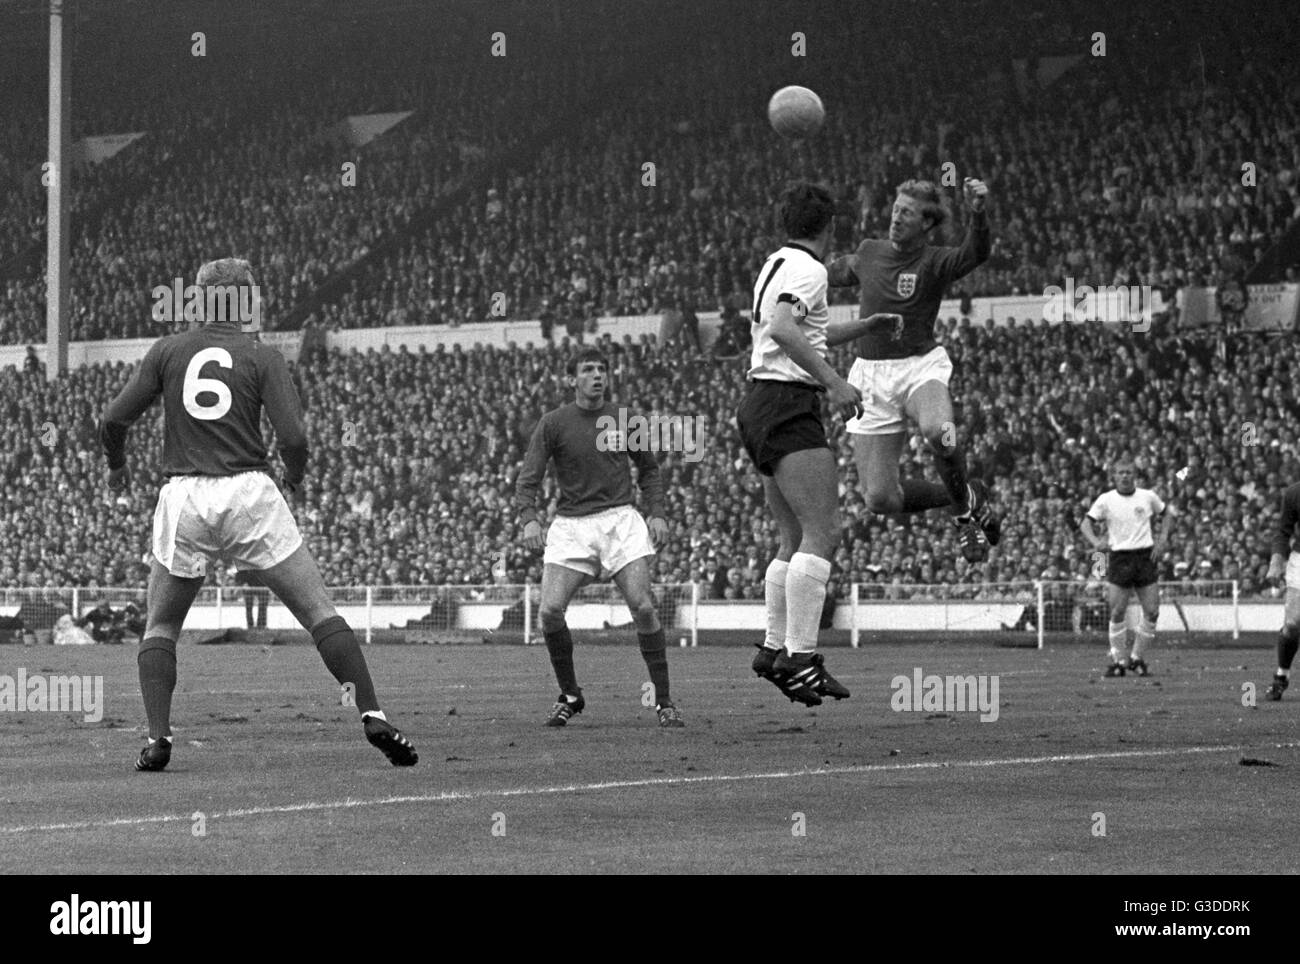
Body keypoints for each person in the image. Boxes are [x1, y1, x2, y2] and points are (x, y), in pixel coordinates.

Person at [98, 257, 416, 771]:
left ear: (199, 299)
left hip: (186, 496)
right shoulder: (262, 356)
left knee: (160, 626)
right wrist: (294, 477)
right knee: (318, 612)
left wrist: (116, 470)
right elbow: (294, 438)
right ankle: (372, 713)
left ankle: (158, 739)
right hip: (250, 492)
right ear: (243, 300)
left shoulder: (167, 351)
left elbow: (114, 418)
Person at [740, 181, 900, 706]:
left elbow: (800, 331)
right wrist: (834, 382)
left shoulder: (777, 262)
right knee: (823, 532)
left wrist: (863, 327)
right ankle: (801, 657)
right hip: (789, 403)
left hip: (761, 402)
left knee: (792, 537)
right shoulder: (811, 269)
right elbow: (786, 329)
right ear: (830, 227)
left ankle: (773, 647)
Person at [827, 178, 1001, 563]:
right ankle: (967, 494)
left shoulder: (935, 261)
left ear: (926, 223)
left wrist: (978, 212)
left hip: (919, 368)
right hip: (870, 375)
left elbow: (976, 252)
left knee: (942, 432)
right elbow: (836, 272)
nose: (896, 217)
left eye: (906, 212)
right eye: (895, 209)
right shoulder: (870, 252)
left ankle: (961, 515)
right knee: (879, 498)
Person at [515, 346, 682, 727]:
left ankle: (664, 701)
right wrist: (529, 519)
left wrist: (656, 512)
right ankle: (571, 696)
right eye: (588, 370)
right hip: (572, 526)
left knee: (642, 606)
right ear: (572, 379)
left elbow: (649, 471)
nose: (597, 375)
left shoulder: (627, 419)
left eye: (602, 369)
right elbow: (529, 479)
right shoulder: (553, 423)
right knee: (549, 611)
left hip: (620, 520)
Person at [1080, 458, 1168, 676]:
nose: (1125, 476)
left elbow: (1167, 515)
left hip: (1145, 556)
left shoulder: (1148, 496)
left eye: (1129, 472)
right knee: (1117, 611)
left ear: (1134, 475)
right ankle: (1119, 660)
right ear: (1114, 476)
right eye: (1121, 472)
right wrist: (1095, 543)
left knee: (1152, 611)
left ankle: (1136, 658)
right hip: (1120, 557)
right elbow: (1085, 523)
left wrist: (1162, 540)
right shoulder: (1106, 499)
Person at [1262, 481, 1300, 700]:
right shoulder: (1294, 492)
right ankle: (1281, 675)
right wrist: (1276, 561)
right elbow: (1283, 532)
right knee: (1293, 623)